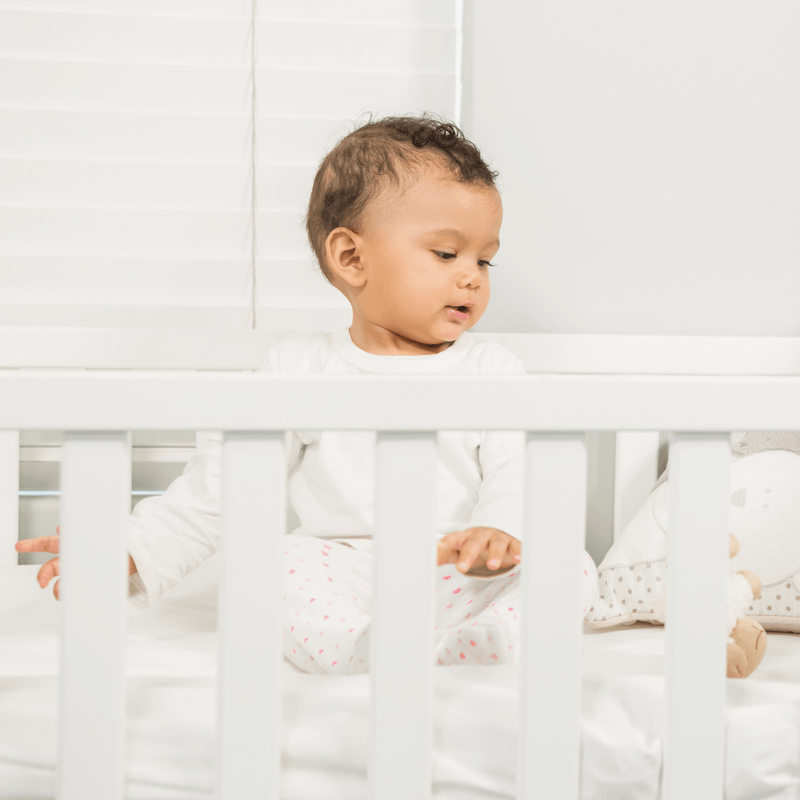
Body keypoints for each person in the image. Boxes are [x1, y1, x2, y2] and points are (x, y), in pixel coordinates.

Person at [16, 115, 598, 673]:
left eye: (484, 259)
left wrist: (501, 530)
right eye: (446, 253)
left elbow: (520, 471)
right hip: (339, 568)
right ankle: (359, 649)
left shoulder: (492, 370)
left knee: (569, 566)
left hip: (461, 569)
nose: (471, 275)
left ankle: (482, 642)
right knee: (265, 563)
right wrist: (133, 547)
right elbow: (223, 488)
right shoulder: (298, 369)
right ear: (351, 258)